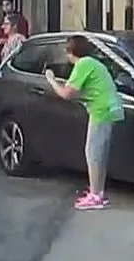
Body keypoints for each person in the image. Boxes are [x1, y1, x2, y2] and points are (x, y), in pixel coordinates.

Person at [44, 35, 123, 210]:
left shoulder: (83, 65)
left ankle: (95, 196)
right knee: (98, 153)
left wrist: (51, 79)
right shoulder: (92, 63)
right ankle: (98, 192)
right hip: (109, 109)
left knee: (93, 153)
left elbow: (66, 94)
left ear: (70, 51)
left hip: (102, 111)